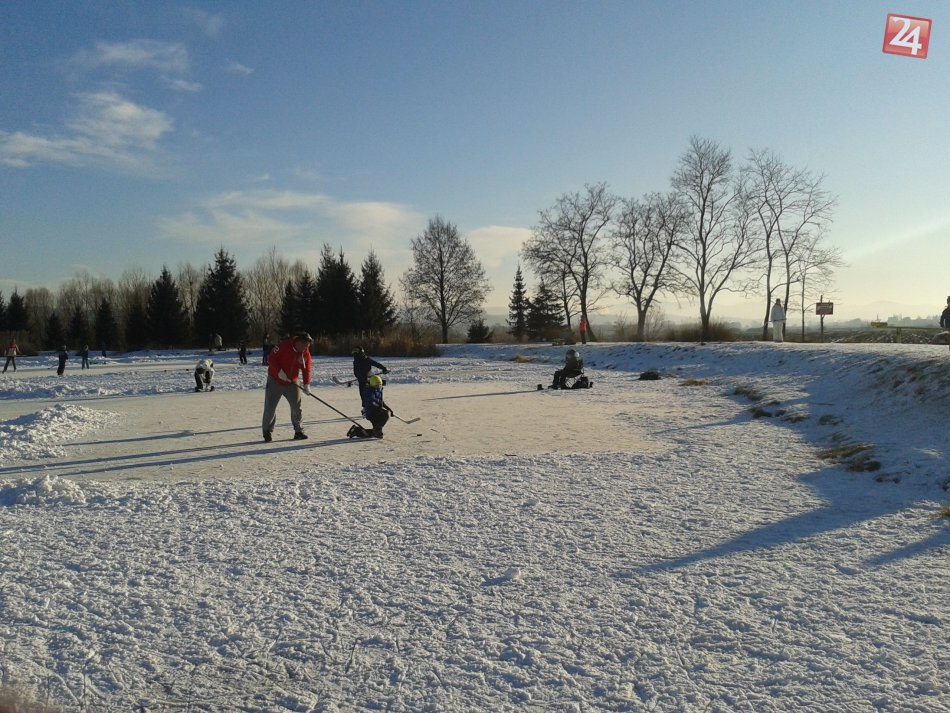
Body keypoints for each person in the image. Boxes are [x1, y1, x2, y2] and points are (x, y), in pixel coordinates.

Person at [262, 332, 313, 442]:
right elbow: (271, 359)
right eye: (304, 346)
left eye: (307, 346)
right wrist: (279, 372)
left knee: (296, 407)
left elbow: (306, 369)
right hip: (275, 380)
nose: (305, 348)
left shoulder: (305, 353)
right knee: (270, 407)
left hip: (292, 382)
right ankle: (267, 431)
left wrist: (306, 384)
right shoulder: (283, 346)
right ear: (298, 342)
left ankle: (298, 431)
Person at [347, 374, 395, 439]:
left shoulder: (379, 390)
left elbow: (381, 402)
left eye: (379, 385)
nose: (378, 387)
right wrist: (380, 406)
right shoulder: (369, 391)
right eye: (376, 385)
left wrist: (389, 409)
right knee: (385, 414)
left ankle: (356, 431)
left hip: (377, 411)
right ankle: (376, 431)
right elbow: (372, 401)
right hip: (372, 413)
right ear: (372, 385)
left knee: (375, 433)